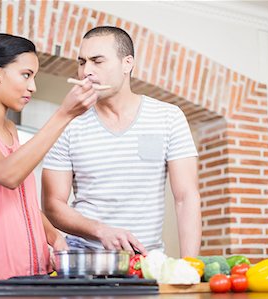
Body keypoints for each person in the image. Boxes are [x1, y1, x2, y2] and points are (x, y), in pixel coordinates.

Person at [0, 33, 98, 279]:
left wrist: (54, 236)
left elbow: (21, 204)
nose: (33, 87)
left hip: (32, 276)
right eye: (26, 75)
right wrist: (64, 114)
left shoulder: (10, 130)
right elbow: (8, 174)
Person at [42, 26, 201, 257]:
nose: (86, 71)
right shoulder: (67, 122)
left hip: (146, 261)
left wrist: (190, 266)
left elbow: (186, 198)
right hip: (84, 261)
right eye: (82, 62)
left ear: (127, 63)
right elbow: (53, 206)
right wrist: (101, 231)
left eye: (97, 61)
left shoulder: (168, 117)